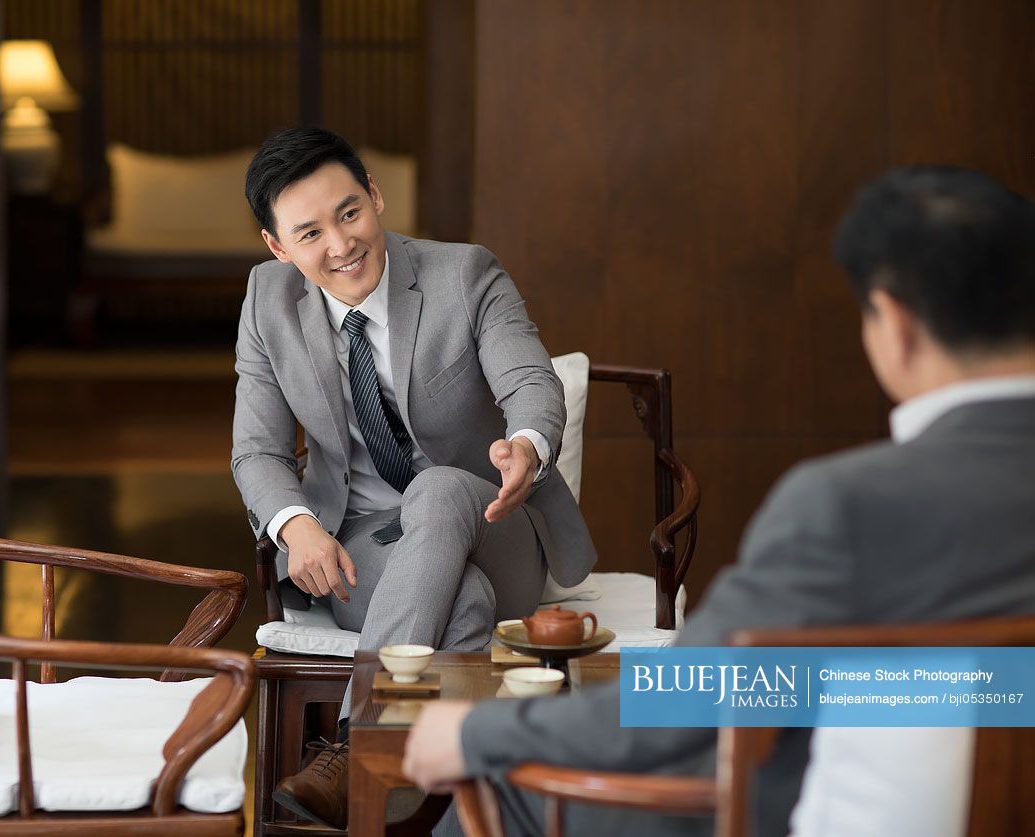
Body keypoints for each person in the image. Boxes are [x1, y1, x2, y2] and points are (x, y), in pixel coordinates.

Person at [402, 165, 1035, 836]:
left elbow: (683, 701)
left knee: (506, 788)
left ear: (895, 326)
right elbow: (994, 686)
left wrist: (475, 730)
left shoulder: (847, 505)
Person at [232, 127, 597, 828]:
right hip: (365, 549)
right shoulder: (265, 301)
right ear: (277, 247)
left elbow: (529, 380)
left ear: (374, 196)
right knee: (461, 602)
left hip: (494, 522)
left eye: (349, 213)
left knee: (436, 491)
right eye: (308, 233)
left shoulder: (463, 274)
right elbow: (256, 449)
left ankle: (349, 746)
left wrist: (524, 445)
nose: (339, 245)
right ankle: (404, 804)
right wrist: (296, 524)